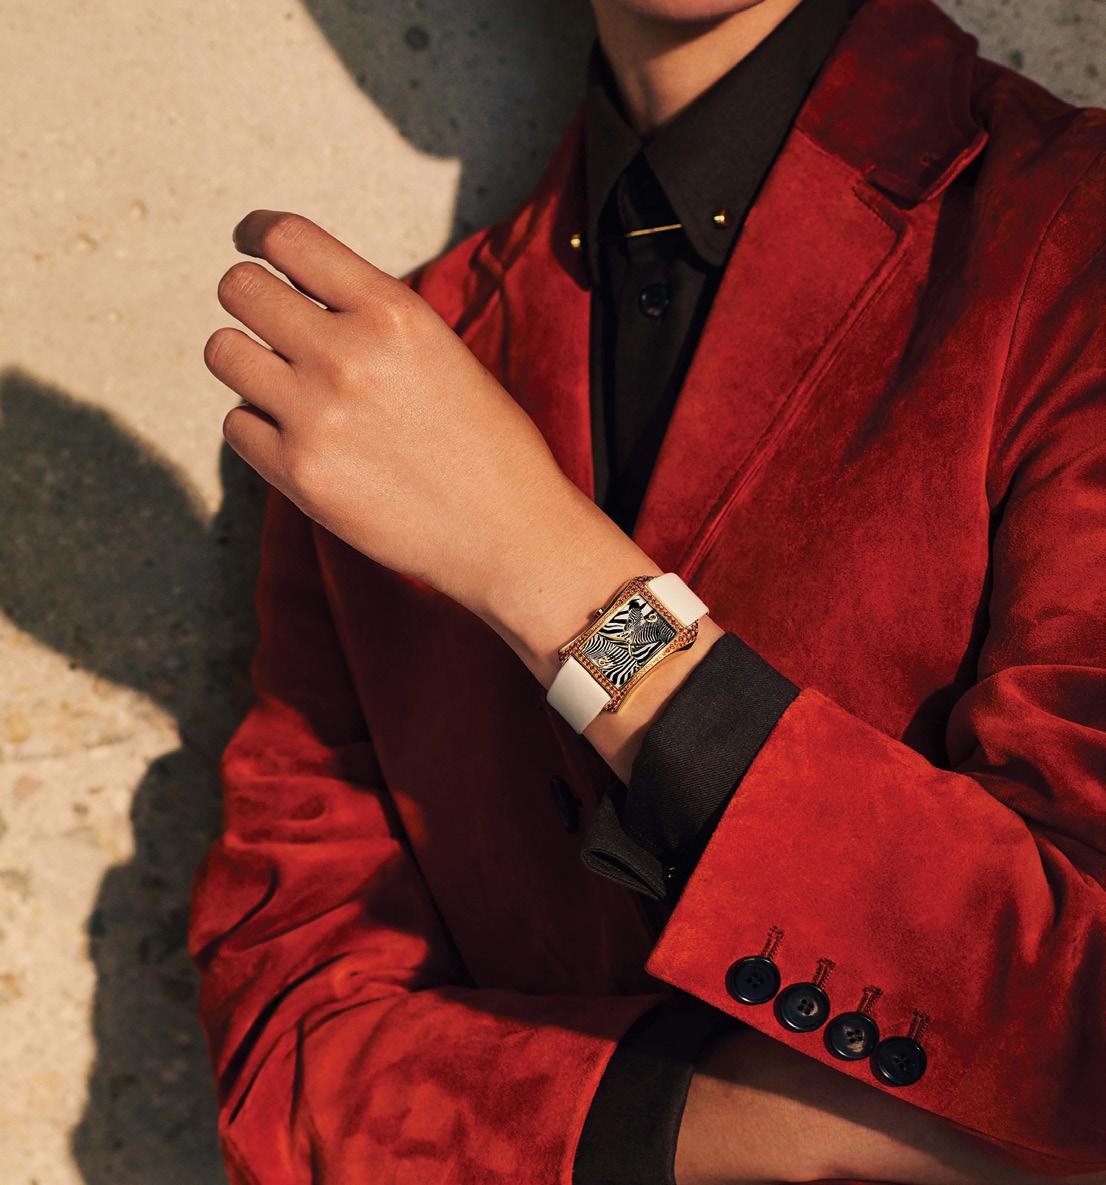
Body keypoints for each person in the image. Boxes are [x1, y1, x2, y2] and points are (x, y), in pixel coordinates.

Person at [187, 0, 1106, 1181]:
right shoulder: (376, 384)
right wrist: (731, 1124)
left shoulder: (1064, 236)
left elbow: (1080, 1015)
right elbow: (283, 1057)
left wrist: (537, 565)